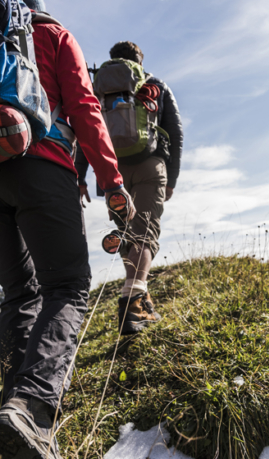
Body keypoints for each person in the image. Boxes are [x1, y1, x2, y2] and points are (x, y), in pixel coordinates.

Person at [0, 1, 135, 458]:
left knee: (20, 295)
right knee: (70, 286)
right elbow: (83, 107)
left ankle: (16, 417)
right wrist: (111, 180)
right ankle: (33, 408)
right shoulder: (54, 36)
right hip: (45, 167)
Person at [76, 41, 183, 335]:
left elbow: (88, 128)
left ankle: (137, 294)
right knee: (145, 231)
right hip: (150, 164)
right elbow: (175, 131)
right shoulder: (155, 84)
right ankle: (133, 304)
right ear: (139, 60)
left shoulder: (99, 88)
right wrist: (171, 178)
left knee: (127, 233)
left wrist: (80, 175)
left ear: (112, 60)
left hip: (112, 172)